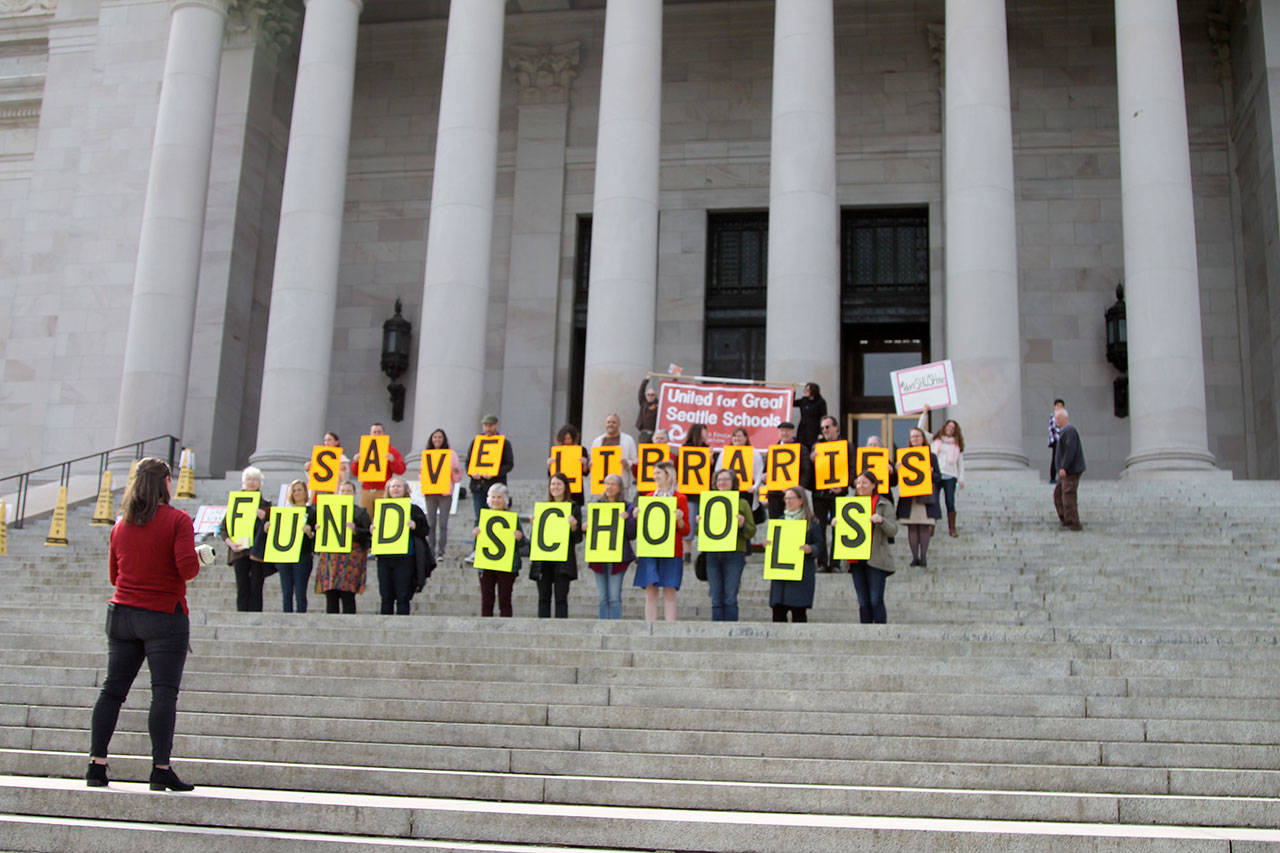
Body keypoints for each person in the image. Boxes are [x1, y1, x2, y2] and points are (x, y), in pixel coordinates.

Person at [88, 457, 200, 791]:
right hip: (164, 614)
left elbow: (113, 575)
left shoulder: (120, 524)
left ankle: (97, 764)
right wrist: (198, 554)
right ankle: (160, 768)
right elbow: (187, 570)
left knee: (112, 691)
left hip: (122, 613)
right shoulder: (178, 520)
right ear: (166, 482)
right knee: (163, 693)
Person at [631, 461, 690, 621]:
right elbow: (641, 528)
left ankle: (669, 626)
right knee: (650, 590)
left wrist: (679, 520)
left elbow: (686, 530)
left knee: (669, 590)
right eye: (654, 473)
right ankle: (650, 625)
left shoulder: (680, 498)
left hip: (672, 549)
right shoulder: (648, 497)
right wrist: (636, 517)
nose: (655, 476)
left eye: (658, 473)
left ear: (668, 475)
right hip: (650, 548)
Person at [704, 468, 757, 621]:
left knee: (730, 597)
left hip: (734, 552)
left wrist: (742, 525)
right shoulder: (709, 501)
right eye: (719, 480)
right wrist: (701, 524)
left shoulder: (742, 503)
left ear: (733, 482)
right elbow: (700, 533)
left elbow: (751, 531)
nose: (722, 483)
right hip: (713, 553)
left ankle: (731, 629)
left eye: (726, 479)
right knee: (715, 597)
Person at [846, 470, 898, 624]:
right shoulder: (849, 504)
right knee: (863, 601)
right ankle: (865, 631)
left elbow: (893, 530)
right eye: (858, 483)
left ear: (874, 485)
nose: (860, 486)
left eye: (865, 483)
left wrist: (881, 520)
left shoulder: (883, 504)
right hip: (856, 558)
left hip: (876, 557)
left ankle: (881, 631)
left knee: (875, 599)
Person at [373, 476, 430, 615]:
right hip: (384, 557)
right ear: (388, 490)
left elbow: (425, 530)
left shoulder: (414, 509)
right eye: (392, 486)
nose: (396, 489)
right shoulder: (381, 509)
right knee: (386, 595)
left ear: (405, 490)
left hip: (405, 558)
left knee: (403, 595)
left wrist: (415, 526)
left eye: (399, 486)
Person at [529, 473, 583, 618]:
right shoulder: (543, 508)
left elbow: (578, 539)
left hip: (563, 559)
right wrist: (534, 526)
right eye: (553, 484)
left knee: (561, 598)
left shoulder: (573, 508)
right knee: (543, 598)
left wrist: (574, 527)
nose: (555, 487)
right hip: (543, 558)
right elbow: (536, 539)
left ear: (565, 487)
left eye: (559, 484)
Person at [219, 466, 271, 612]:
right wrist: (231, 544)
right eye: (249, 479)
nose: (252, 482)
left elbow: (273, 527)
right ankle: (241, 614)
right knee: (242, 586)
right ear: (244, 482)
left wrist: (265, 518)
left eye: (255, 479)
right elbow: (224, 528)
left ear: (260, 483)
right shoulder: (235, 503)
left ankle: (255, 614)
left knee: (256, 586)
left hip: (257, 551)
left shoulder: (266, 504)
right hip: (239, 550)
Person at [767, 486, 822, 623]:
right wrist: (769, 544)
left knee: (799, 612)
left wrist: (811, 548)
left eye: (791, 498)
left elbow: (819, 545)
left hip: (800, 574)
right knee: (778, 612)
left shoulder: (811, 523)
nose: (788, 501)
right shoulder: (780, 520)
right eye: (786, 498)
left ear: (801, 500)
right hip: (781, 574)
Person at [314, 480, 370, 614]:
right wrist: (318, 529)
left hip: (351, 557)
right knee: (331, 593)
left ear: (354, 493)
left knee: (348, 593)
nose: (345, 493)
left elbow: (368, 533)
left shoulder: (360, 512)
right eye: (343, 491)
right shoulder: (327, 509)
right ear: (338, 493)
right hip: (331, 556)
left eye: (349, 491)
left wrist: (355, 529)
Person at [465, 414, 515, 562]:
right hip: (478, 486)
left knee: (497, 516)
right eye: (485, 425)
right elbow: (468, 463)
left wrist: (494, 473)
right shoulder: (476, 442)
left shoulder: (504, 443)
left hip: (496, 486)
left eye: (490, 425)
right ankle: (476, 549)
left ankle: (498, 548)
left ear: (496, 426)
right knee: (479, 517)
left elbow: (509, 464)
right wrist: (472, 473)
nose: (487, 428)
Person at [473, 483, 525, 616]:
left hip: (507, 564)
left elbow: (523, 543)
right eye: (493, 497)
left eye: (499, 497)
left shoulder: (513, 518)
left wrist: (519, 537)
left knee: (505, 599)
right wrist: (476, 535)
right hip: (486, 564)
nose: (496, 500)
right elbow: (477, 546)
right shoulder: (482, 518)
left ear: (505, 500)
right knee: (487, 600)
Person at [588, 473, 635, 619]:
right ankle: (603, 626)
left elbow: (632, 534)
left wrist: (628, 520)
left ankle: (615, 626)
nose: (609, 487)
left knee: (614, 596)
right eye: (607, 483)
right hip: (599, 556)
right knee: (602, 597)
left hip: (618, 556)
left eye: (613, 484)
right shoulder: (597, 505)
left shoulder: (627, 507)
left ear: (620, 487)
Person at [896, 427, 943, 567]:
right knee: (912, 527)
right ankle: (914, 557)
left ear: (923, 438)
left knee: (923, 526)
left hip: (925, 498)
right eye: (913, 437)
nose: (915, 439)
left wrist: (930, 473)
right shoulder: (904, 456)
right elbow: (898, 479)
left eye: (918, 436)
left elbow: (938, 478)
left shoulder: (931, 456)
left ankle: (923, 557)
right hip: (910, 498)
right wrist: (898, 470)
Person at [809, 415, 850, 571]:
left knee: (838, 528)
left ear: (836, 427)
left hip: (838, 495)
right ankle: (821, 562)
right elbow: (808, 471)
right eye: (823, 428)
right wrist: (811, 460)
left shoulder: (846, 445)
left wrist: (844, 487)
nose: (825, 430)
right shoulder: (817, 446)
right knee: (819, 529)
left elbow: (851, 468)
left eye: (827, 427)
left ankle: (835, 563)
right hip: (819, 495)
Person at [919, 406, 965, 537]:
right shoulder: (935, 439)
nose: (950, 429)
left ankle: (952, 528)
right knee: (933, 500)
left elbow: (961, 463)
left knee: (949, 501)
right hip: (936, 475)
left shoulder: (957, 445)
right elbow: (920, 430)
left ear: (955, 431)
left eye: (953, 428)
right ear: (944, 427)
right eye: (948, 427)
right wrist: (924, 414)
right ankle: (931, 527)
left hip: (951, 476)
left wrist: (961, 478)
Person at [272, 479, 315, 613]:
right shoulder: (285, 512)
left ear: (305, 492)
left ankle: (301, 616)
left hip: (303, 554)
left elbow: (317, 534)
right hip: (285, 555)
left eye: (299, 490)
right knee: (286, 591)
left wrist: (311, 533)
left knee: (300, 591)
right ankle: (286, 617)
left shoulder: (312, 512)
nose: (297, 493)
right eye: (294, 490)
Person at [422, 428, 464, 558]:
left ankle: (441, 551)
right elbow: (422, 474)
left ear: (444, 439)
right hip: (430, 493)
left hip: (445, 493)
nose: (437, 440)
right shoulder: (427, 454)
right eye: (435, 437)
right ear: (431, 439)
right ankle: (430, 550)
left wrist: (455, 471)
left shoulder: (451, 455)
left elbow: (458, 477)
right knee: (431, 523)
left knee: (443, 523)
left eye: (440, 437)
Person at [350, 423, 406, 517]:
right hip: (366, 490)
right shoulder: (364, 449)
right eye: (374, 432)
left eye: (379, 432)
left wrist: (392, 460)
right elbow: (355, 472)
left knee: (382, 519)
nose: (376, 434)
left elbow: (401, 470)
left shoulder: (391, 450)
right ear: (370, 434)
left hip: (383, 489)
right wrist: (355, 462)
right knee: (364, 518)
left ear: (384, 433)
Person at [766, 421, 813, 520]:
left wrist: (798, 489)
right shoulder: (773, 449)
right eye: (782, 431)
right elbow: (766, 469)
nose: (785, 433)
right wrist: (765, 476)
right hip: (775, 494)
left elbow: (806, 471)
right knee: (775, 522)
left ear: (792, 432)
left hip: (794, 495)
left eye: (787, 431)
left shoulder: (801, 449)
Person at [1053, 408, 1086, 530]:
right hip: (1065, 471)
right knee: (1058, 494)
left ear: (1065, 419)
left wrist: (1064, 467)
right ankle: (1065, 519)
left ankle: (1073, 523)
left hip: (1070, 471)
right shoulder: (1064, 431)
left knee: (1068, 495)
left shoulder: (1069, 430)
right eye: (1055, 418)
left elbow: (1070, 450)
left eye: (1058, 418)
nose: (1056, 421)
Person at [591, 412, 639, 491]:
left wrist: (627, 463)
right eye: (608, 422)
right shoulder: (597, 441)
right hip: (602, 484)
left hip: (621, 483)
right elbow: (593, 460)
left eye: (614, 422)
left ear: (619, 424)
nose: (611, 424)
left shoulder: (628, 440)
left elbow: (635, 461)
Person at [548, 424, 589, 506]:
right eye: (565, 439)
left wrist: (585, 464)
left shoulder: (581, 450)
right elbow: (550, 474)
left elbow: (585, 473)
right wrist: (550, 465)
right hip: (559, 488)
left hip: (575, 488)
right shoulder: (556, 451)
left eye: (569, 438)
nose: (567, 441)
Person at [308, 431, 349, 501]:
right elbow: (312, 478)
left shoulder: (342, 458)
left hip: (334, 492)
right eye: (325, 440)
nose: (327, 442)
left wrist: (341, 470)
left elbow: (345, 480)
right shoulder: (319, 457)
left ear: (336, 442)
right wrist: (308, 469)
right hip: (319, 491)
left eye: (329, 440)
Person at [795, 382, 827, 449]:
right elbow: (792, 402)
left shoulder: (820, 402)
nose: (806, 392)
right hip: (803, 429)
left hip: (815, 429)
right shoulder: (804, 400)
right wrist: (792, 391)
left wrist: (821, 432)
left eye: (808, 390)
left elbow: (824, 417)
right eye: (805, 390)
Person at [636, 375, 659, 443]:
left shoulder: (658, 404)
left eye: (652, 395)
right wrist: (647, 379)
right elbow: (641, 390)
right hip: (644, 434)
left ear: (655, 396)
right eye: (648, 394)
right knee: (643, 452)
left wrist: (675, 379)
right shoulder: (643, 402)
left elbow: (667, 394)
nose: (650, 396)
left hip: (655, 434)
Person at [1048, 399, 1066, 483]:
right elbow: (1054, 428)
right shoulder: (1053, 416)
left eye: (1061, 406)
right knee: (1055, 458)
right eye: (1058, 406)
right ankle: (1052, 477)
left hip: (1062, 439)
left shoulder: (1064, 417)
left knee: (1063, 459)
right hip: (1056, 440)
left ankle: (1061, 477)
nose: (1059, 408)